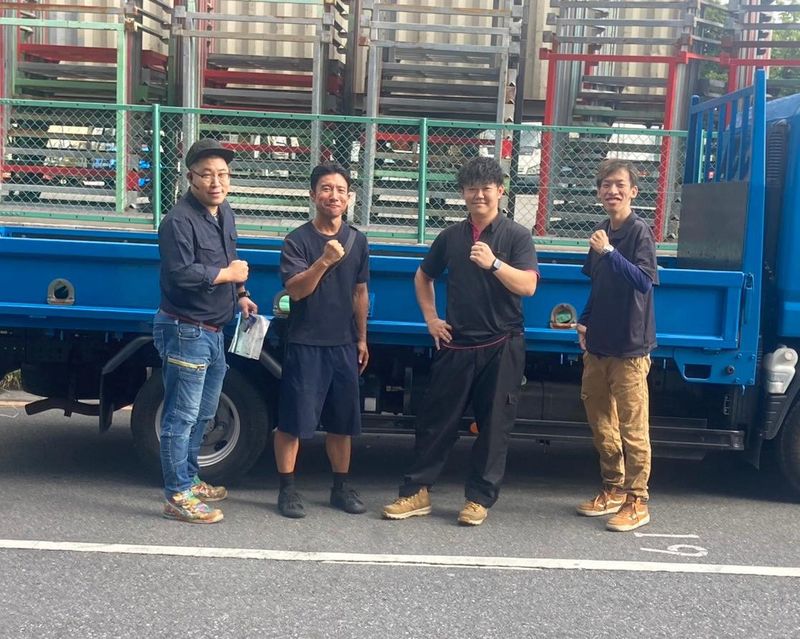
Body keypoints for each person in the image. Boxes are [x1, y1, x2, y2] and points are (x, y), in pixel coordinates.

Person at [382, 157, 539, 526]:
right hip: (456, 344)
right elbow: (423, 277)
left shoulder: (517, 236)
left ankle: (478, 500)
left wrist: (494, 264)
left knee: (494, 426)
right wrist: (431, 319)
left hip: (502, 343)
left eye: (486, 188)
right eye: (471, 189)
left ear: (500, 191)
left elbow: (529, 286)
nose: (479, 195)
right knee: (435, 421)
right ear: (463, 194)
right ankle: (416, 492)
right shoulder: (451, 237)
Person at [153, 139, 257, 524]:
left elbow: (228, 257)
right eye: (207, 175)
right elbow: (181, 274)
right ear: (191, 178)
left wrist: (241, 294)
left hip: (214, 330)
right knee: (180, 416)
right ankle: (176, 495)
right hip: (186, 330)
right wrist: (228, 275)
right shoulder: (178, 221)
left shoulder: (224, 211)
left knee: (204, 413)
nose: (216, 182)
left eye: (223, 175)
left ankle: (190, 478)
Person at [275, 163, 370, 519]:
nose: (334, 195)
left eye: (340, 190)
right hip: (305, 343)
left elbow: (360, 292)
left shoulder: (358, 240)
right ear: (313, 195)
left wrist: (362, 339)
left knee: (342, 423)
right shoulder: (297, 240)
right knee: (293, 422)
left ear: (350, 197)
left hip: (343, 344)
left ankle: (340, 487)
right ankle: (287, 490)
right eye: (326, 189)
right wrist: (325, 261)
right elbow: (297, 290)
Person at [575, 158, 658, 532]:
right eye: (606, 185)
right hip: (598, 346)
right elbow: (598, 285)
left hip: (630, 349)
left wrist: (609, 251)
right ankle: (613, 488)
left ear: (633, 191)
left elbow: (643, 281)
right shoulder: (601, 232)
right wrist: (585, 320)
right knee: (601, 422)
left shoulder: (639, 232)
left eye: (619, 184)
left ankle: (637, 501)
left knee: (632, 428)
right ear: (598, 192)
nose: (612, 190)